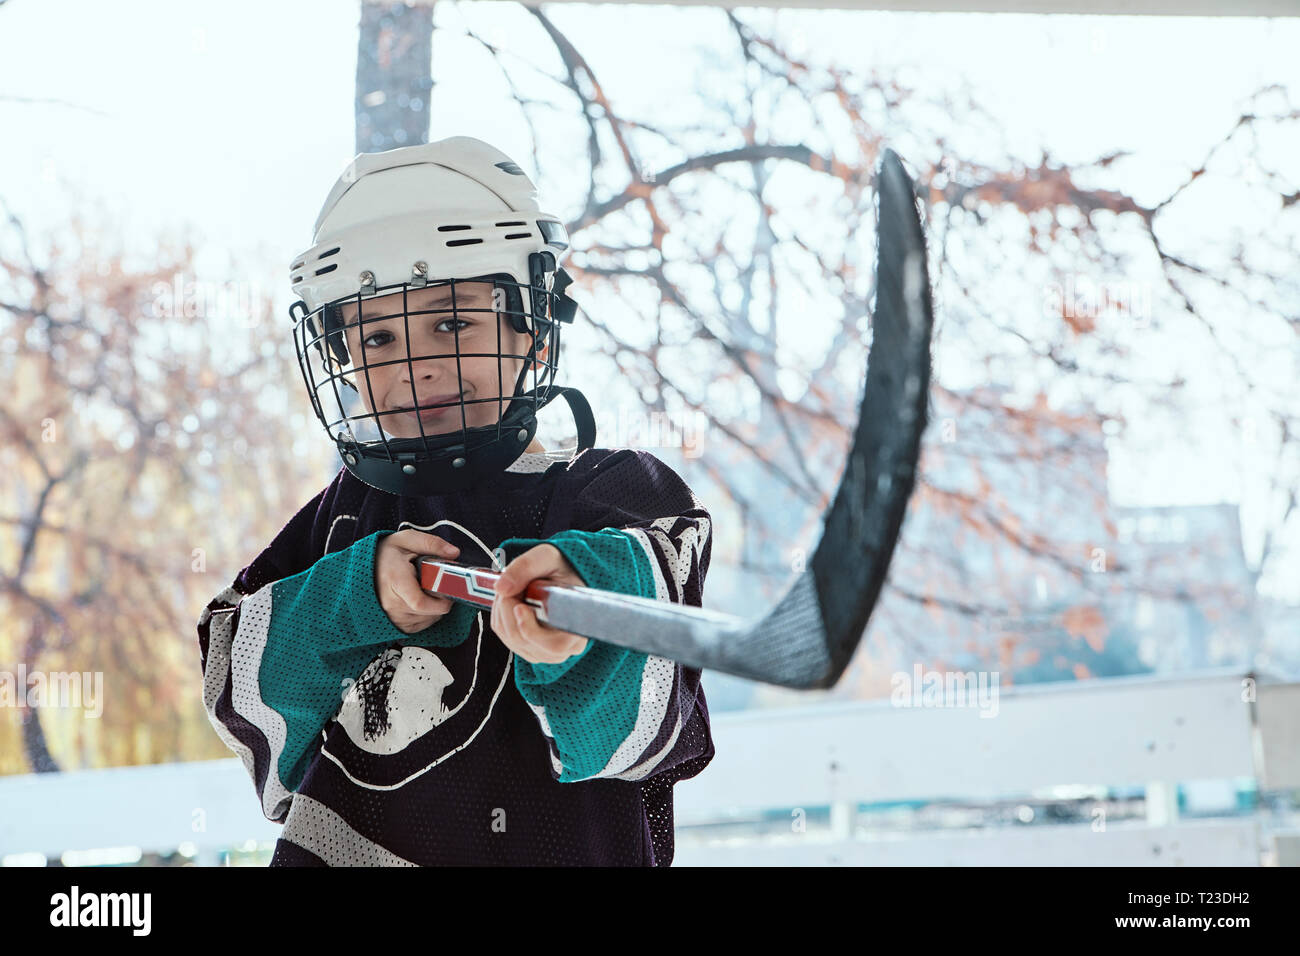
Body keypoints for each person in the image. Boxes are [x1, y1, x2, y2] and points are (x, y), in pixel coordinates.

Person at [195, 135, 715, 866]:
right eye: (376, 336)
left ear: (530, 326)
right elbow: (238, 683)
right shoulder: (345, 512)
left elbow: (650, 724)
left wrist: (580, 609)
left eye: (452, 321)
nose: (418, 367)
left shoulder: (614, 493)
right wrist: (354, 596)